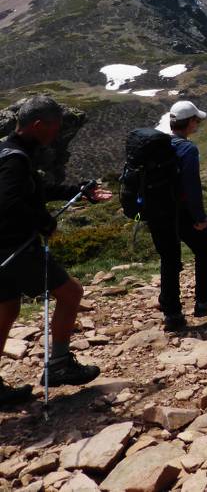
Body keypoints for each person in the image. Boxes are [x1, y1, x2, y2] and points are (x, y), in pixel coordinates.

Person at [0, 96, 112, 404]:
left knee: (7, 308)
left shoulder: (8, 151)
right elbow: (9, 202)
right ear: (38, 125)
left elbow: (33, 191)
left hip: (4, 248)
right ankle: (59, 366)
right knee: (71, 293)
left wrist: (77, 191)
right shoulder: (16, 159)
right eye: (54, 126)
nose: (56, 132)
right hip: (16, 247)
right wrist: (42, 220)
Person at [148, 101, 207, 331]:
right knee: (204, 248)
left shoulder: (157, 145)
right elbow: (191, 187)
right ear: (190, 122)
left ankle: (171, 313)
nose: (198, 124)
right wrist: (200, 218)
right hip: (180, 212)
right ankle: (203, 300)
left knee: (169, 259)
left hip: (156, 212)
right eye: (196, 120)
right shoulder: (187, 149)